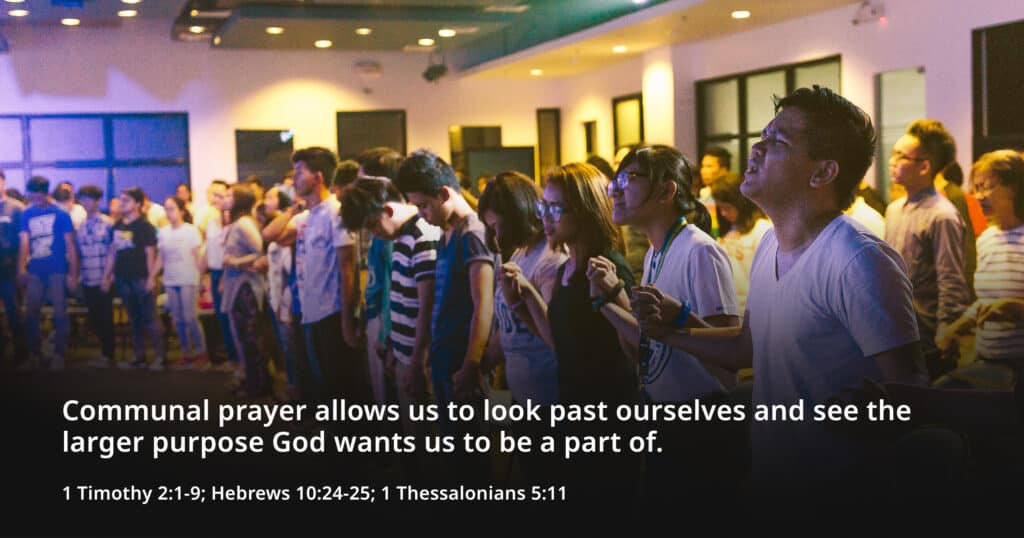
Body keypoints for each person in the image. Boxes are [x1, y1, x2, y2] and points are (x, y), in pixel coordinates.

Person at [634, 86, 926, 499]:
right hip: (774, 476)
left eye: (777, 142)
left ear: (823, 172)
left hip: (837, 491)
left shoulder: (857, 258)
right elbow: (747, 348)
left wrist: (875, 410)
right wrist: (672, 330)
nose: (756, 149)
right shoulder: (770, 242)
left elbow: (912, 388)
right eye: (763, 136)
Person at [501, 162, 638, 501]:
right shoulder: (566, 269)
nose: (545, 217)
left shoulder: (607, 267)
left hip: (608, 421)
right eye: (542, 207)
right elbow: (561, 343)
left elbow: (638, 349)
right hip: (572, 412)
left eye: (555, 208)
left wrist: (613, 295)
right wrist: (524, 298)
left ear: (586, 210)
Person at [394, 149, 494, 484]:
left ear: (444, 193)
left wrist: (472, 363)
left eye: (423, 205)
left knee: (471, 465)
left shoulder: (473, 233)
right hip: (445, 360)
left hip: (461, 365)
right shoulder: (447, 231)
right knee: (455, 459)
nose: (421, 215)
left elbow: (483, 305)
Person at [340, 178, 440, 470]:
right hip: (405, 353)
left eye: (373, 225)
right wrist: (395, 346)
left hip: (419, 358)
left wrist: (417, 361)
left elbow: (427, 305)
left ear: (387, 209)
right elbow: (398, 299)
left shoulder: (421, 235)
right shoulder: (399, 238)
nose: (374, 233)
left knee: (427, 445)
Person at [268, 147, 366, 404]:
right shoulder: (307, 216)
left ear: (318, 177)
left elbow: (348, 270)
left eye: (300, 172)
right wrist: (291, 210)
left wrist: (347, 321)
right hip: (311, 312)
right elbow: (271, 236)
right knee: (322, 385)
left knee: (340, 389)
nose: (294, 179)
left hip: (331, 314)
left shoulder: (336, 213)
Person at [885, 120, 971, 379]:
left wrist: (947, 330)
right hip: (895, 332)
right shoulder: (894, 209)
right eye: (894, 153)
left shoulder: (942, 214)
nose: (892, 161)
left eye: (901, 156)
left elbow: (952, 279)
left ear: (924, 166)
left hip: (929, 339)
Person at [480, 171, 566, 406]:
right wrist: (482, 362)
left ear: (516, 216)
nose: (496, 236)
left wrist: (522, 299)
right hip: (524, 397)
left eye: (497, 226)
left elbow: (556, 333)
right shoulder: (521, 253)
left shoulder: (550, 260)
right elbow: (510, 328)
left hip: (548, 400)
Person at [939, 150, 1024, 367]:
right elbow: (986, 303)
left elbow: (1004, 306)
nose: (978, 196)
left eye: (986, 187)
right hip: (989, 361)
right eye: (976, 188)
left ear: (1014, 188)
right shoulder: (987, 239)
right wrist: (953, 330)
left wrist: (1017, 308)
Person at [353, 147, 404, 406]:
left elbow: (393, 286)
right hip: (377, 316)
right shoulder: (381, 226)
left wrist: (386, 335)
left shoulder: (392, 229)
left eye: (363, 182)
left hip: (388, 323)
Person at [18, 176, 77, 370]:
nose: (34, 199)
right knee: (31, 312)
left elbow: (70, 245)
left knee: (60, 312)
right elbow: (24, 242)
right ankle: (35, 354)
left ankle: (59, 354)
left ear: (45, 193)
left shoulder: (60, 214)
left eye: (37, 196)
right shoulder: (27, 214)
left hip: (57, 269)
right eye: (31, 196)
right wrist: (21, 267)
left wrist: (72, 274)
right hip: (36, 269)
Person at [102, 187, 164, 369]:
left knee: (151, 318)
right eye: (121, 200)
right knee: (134, 319)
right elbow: (113, 252)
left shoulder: (145, 227)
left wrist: (152, 277)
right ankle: (139, 355)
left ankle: (160, 356)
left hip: (141, 277)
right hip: (123, 277)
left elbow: (150, 254)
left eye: (127, 200)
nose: (122, 203)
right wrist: (107, 276)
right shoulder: (118, 225)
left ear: (138, 204)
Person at [221, 184, 269, 397]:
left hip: (246, 287)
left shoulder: (243, 224)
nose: (225, 197)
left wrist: (236, 262)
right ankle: (251, 382)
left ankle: (257, 387)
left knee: (250, 339)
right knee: (244, 338)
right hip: (237, 285)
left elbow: (260, 250)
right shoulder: (237, 223)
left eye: (230, 195)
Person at [156, 197, 207, 368]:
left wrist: (201, 279)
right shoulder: (163, 232)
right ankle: (186, 352)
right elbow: (161, 258)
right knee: (177, 319)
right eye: (166, 209)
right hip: (170, 279)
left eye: (172, 209)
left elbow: (197, 256)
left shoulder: (191, 231)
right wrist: (152, 275)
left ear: (181, 211)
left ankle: (201, 351)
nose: (168, 213)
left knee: (190, 317)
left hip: (188, 278)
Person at [711, 171, 772, 311]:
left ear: (740, 202)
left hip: (753, 309)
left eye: (727, 207)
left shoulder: (762, 229)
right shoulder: (728, 230)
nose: (723, 213)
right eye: (720, 208)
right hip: (730, 308)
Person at [200, 179, 239, 368]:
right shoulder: (211, 222)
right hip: (214, 273)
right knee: (221, 317)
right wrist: (202, 276)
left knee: (232, 317)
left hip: (229, 274)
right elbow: (208, 250)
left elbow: (231, 253)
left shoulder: (233, 222)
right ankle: (231, 359)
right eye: (213, 194)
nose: (216, 199)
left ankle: (239, 361)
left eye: (221, 195)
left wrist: (224, 276)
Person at [76, 185, 115, 367]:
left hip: (103, 277)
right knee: (95, 318)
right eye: (82, 199)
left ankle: (109, 355)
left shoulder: (108, 223)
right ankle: (104, 353)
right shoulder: (81, 225)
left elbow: (113, 252)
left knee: (106, 317)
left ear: (98, 201)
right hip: (87, 278)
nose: (85, 202)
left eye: (89, 199)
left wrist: (107, 277)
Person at [262, 186, 295, 394]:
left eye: (270, 197)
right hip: (275, 296)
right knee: (285, 347)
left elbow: (288, 274)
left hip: (286, 299)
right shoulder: (280, 222)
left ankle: (297, 395)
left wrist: (285, 305)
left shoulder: (290, 223)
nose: (266, 201)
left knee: (291, 349)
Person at [0, 171, 25, 364]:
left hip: (9, 267)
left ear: (3, 183)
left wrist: (20, 267)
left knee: (13, 309)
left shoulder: (16, 208)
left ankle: (20, 351)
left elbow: (24, 241)